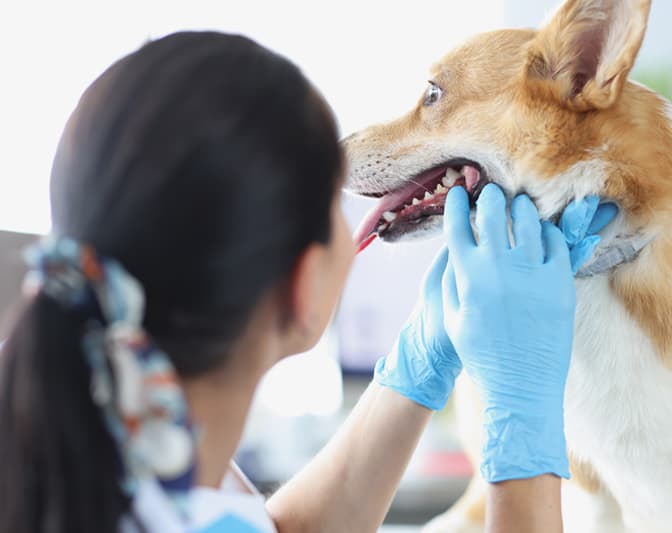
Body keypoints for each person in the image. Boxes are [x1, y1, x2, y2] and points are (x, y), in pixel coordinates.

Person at [0, 32, 615, 533]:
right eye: (338, 210)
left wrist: (417, 366)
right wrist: (523, 422)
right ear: (301, 284)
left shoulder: (105, 443)